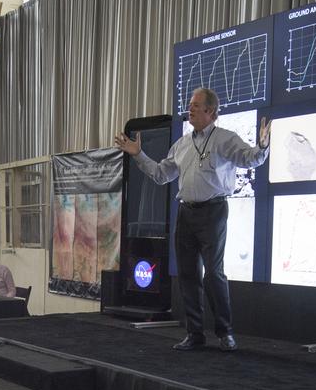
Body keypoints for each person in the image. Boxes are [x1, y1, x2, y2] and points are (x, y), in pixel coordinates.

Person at [115, 87, 271, 352]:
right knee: (187, 275)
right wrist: (137, 154)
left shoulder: (225, 139)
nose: (190, 109)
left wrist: (263, 146)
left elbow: (249, 159)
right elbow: (161, 175)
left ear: (210, 111)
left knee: (213, 274)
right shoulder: (183, 144)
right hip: (186, 213)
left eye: (196, 105)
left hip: (213, 211)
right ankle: (194, 334)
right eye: (190, 105)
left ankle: (225, 332)